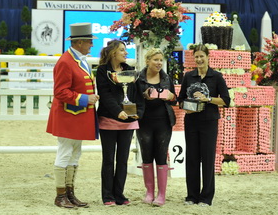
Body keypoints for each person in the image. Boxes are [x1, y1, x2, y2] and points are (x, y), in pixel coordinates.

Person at [46, 23, 99, 208]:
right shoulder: (65, 61)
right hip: (68, 115)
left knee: (75, 154)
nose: (92, 45)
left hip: (78, 115)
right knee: (65, 153)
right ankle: (60, 195)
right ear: (80, 42)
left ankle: (70, 192)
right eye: (90, 42)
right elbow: (60, 92)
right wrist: (85, 99)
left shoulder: (80, 59)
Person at [178, 44, 230, 206]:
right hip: (191, 121)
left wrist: (207, 99)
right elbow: (180, 100)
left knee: (207, 159)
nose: (199, 59)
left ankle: (206, 197)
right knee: (192, 159)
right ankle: (191, 196)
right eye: (196, 56)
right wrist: (187, 107)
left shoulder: (217, 77)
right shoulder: (188, 76)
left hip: (209, 122)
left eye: (202, 56)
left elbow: (226, 101)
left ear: (208, 57)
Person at [96, 40, 141, 206]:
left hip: (127, 121)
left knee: (122, 159)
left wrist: (137, 113)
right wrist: (117, 111)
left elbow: (136, 95)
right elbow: (105, 95)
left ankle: (119, 194)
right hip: (108, 119)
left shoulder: (130, 71)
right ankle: (107, 195)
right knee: (108, 159)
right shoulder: (102, 71)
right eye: (122, 50)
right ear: (113, 52)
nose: (125, 53)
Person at [136, 48, 176, 206]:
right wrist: (143, 96)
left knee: (161, 156)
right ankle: (149, 192)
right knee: (146, 156)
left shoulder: (167, 78)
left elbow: (174, 99)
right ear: (147, 61)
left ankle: (162, 194)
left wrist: (173, 97)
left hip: (163, 122)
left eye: (161, 60)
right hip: (144, 121)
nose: (159, 63)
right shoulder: (138, 78)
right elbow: (133, 98)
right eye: (156, 60)